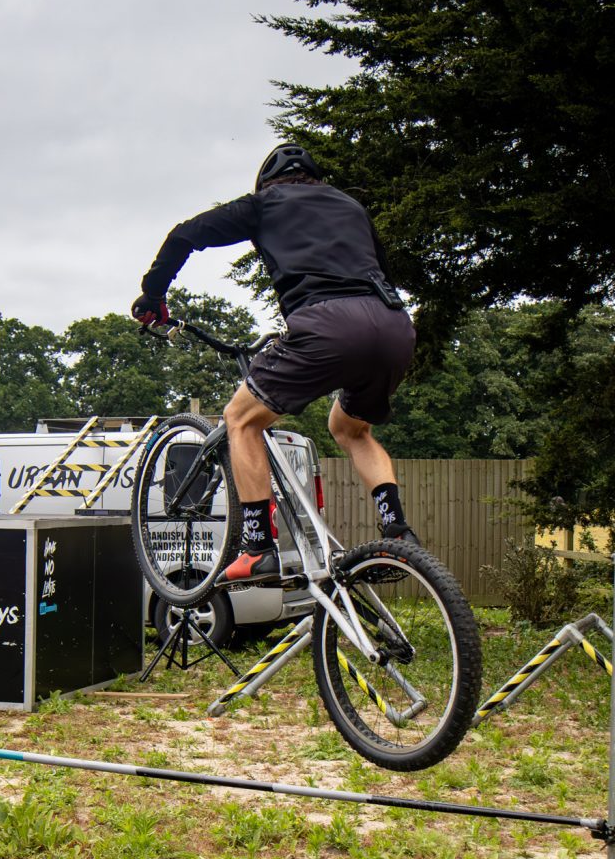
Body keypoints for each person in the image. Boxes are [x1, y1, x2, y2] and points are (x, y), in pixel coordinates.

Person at [132, 143, 418, 585]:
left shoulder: (265, 203)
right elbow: (380, 269)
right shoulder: (351, 207)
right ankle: (398, 531)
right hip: (394, 326)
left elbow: (185, 235)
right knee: (350, 428)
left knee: (240, 419)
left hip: (326, 325)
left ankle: (257, 547)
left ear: (267, 182)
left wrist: (153, 294)